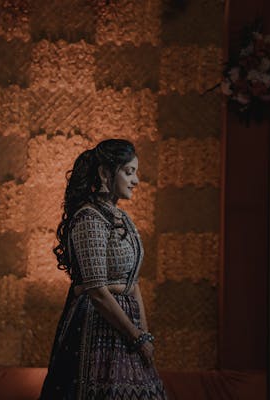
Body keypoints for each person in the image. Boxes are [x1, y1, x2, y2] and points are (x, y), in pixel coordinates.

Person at [39, 139, 168, 399]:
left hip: (127, 331)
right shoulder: (89, 218)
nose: (136, 181)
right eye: (129, 172)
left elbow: (134, 283)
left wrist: (144, 334)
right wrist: (136, 337)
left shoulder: (122, 218)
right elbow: (97, 291)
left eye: (136, 173)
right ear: (105, 173)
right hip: (97, 328)